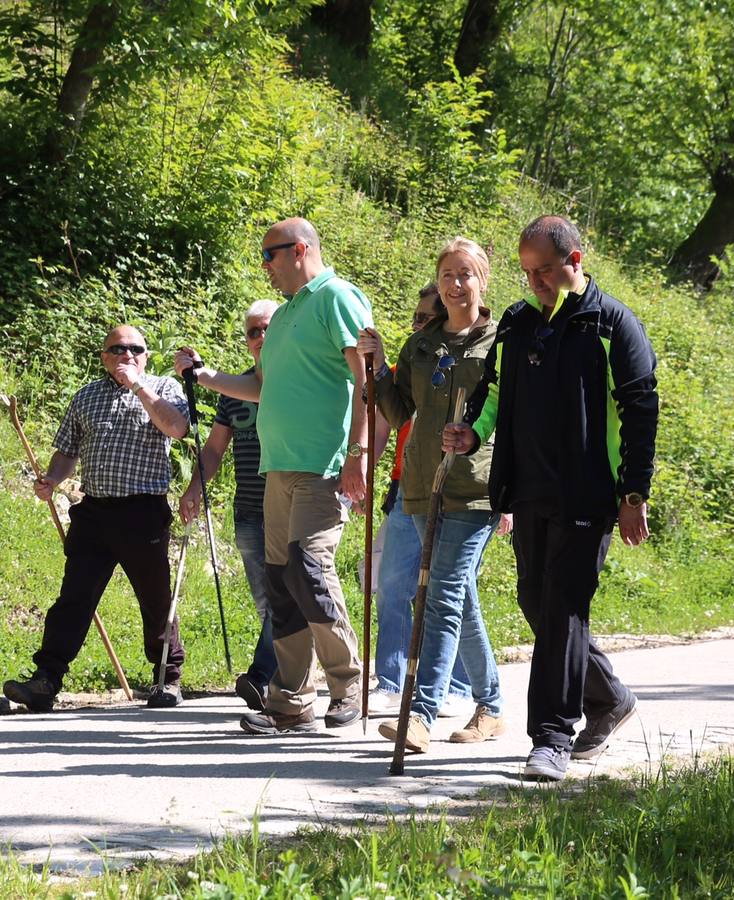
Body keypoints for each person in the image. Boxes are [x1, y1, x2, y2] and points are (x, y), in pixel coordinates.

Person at [444, 215, 658, 780]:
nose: (535, 282)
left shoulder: (611, 324)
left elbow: (640, 411)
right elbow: (494, 393)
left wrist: (634, 492)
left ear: (575, 260)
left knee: (563, 609)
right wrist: (474, 432)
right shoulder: (516, 324)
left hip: (589, 494)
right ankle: (610, 697)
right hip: (527, 488)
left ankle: (552, 739)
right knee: (538, 606)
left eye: (545, 271)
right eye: (527, 272)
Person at [175, 217, 372, 734]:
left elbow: (366, 378)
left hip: (321, 465)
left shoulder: (337, 297)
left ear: (299, 249)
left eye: (270, 256)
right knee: (285, 585)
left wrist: (359, 452)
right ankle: (291, 701)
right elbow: (260, 386)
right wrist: (202, 375)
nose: (264, 267)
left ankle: (349, 684)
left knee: (310, 569)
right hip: (277, 467)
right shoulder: (284, 317)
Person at [357, 237, 509, 754]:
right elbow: (400, 414)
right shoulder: (420, 344)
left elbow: (512, 416)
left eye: (465, 273)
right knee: (456, 596)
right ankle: (491, 704)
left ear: (482, 279)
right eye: (447, 274)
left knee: (439, 593)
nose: (455, 283)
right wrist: (376, 368)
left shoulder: (499, 341)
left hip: (474, 489)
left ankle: (417, 716)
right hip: (421, 487)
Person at [3, 325, 190, 712]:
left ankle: (166, 680)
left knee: (155, 599)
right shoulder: (86, 396)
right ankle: (46, 680)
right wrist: (53, 479)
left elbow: (176, 427)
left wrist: (138, 386)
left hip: (143, 511)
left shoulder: (164, 388)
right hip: (94, 512)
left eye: (135, 349)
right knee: (74, 597)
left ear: (146, 355)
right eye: (117, 349)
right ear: (104, 357)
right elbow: (67, 450)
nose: (127, 355)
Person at [369, 283, 474, 718]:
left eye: (425, 319)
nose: (419, 326)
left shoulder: (469, 361)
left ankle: (459, 688)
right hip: (406, 489)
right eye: (415, 319)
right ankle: (390, 681)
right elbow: (389, 418)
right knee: (392, 586)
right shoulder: (410, 360)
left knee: (452, 592)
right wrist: (362, 469)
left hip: (457, 492)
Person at [179, 300, 279, 711]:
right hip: (249, 512)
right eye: (253, 332)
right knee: (266, 601)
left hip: (289, 507)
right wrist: (194, 487)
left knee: (285, 596)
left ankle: (262, 676)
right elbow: (215, 449)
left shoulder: (297, 386)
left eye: (267, 329)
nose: (260, 338)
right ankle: (287, 672)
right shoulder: (233, 394)